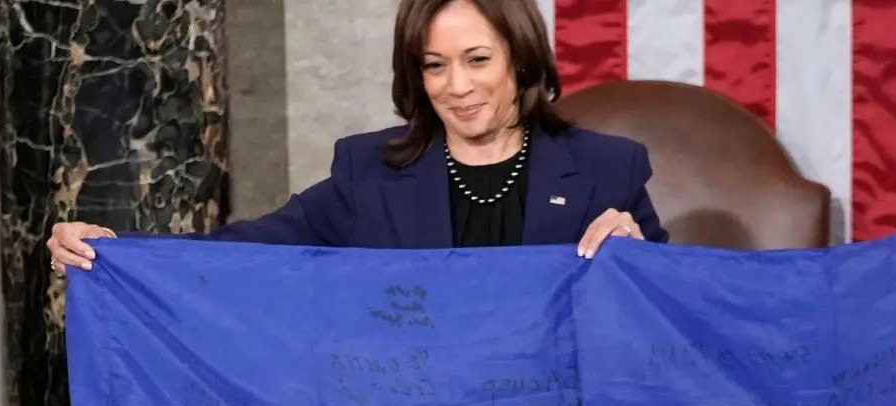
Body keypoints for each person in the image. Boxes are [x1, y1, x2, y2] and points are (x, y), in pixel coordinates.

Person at [47, 0, 666, 270]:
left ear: (522, 61)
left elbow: (680, 308)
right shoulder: (367, 170)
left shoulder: (609, 170)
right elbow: (249, 250)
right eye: (434, 64)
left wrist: (641, 259)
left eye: (478, 59)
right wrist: (116, 251)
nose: (456, 85)